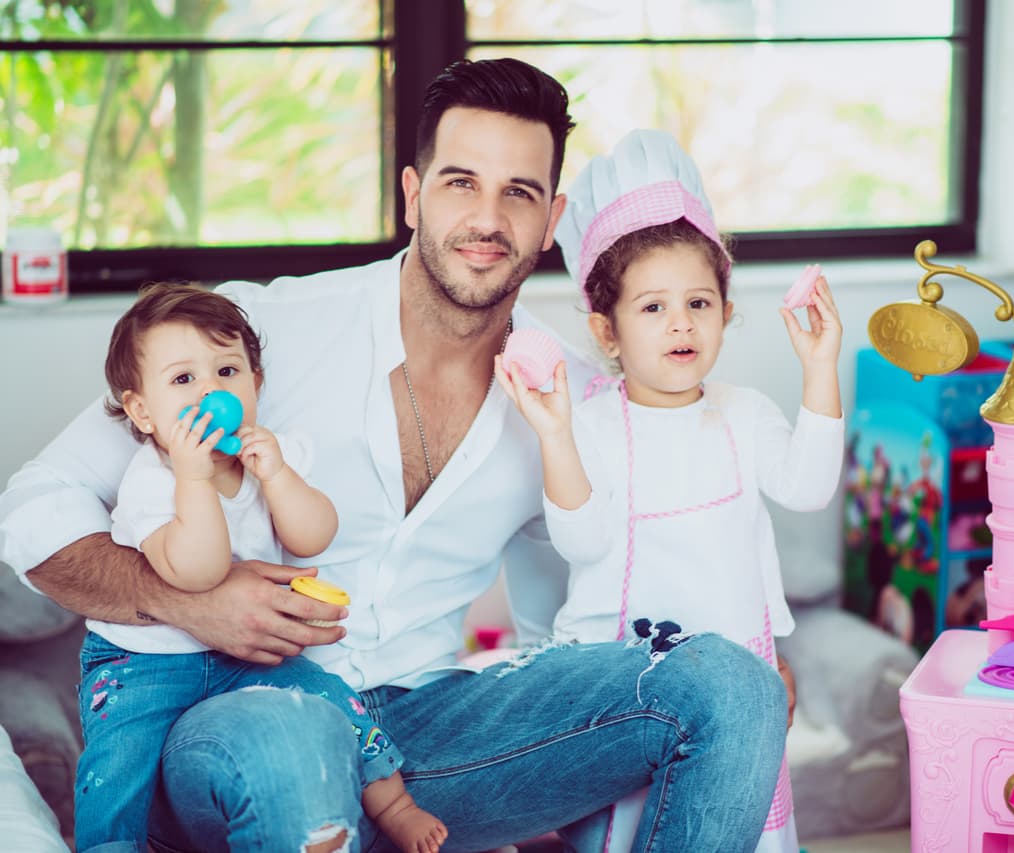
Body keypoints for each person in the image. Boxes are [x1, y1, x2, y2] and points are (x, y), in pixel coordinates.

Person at [0, 57, 789, 852]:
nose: (487, 218)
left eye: (518, 192)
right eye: (460, 182)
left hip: (430, 735)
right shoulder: (245, 337)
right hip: (239, 709)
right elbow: (34, 503)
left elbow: (588, 604)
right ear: (413, 194)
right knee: (293, 742)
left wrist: (552, 788)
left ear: (550, 220)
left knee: (731, 686)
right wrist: (189, 601)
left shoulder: (567, 398)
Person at [494, 129, 845, 853]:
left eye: (699, 301)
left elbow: (809, 486)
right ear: (607, 330)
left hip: (735, 689)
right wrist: (555, 433)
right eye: (652, 307)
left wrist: (820, 367)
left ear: (723, 311)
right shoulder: (588, 423)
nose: (680, 321)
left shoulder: (744, 414)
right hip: (629, 689)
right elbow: (583, 540)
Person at [75, 284, 446, 852]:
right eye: (182, 380)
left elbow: (314, 535)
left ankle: (393, 802)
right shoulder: (153, 480)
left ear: (256, 384)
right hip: (142, 663)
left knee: (329, 697)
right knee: (115, 765)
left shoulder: (276, 454)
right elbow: (197, 573)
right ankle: (109, 844)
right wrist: (193, 478)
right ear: (142, 411)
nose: (211, 392)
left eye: (228, 371)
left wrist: (276, 477)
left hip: (242, 656)